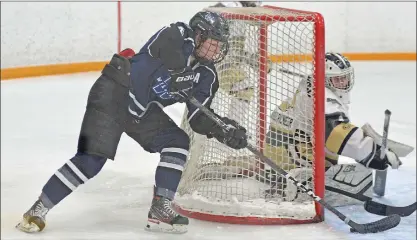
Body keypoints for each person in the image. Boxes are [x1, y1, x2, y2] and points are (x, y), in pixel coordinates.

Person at [16, 10, 248, 234]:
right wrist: (178, 72)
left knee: (177, 141)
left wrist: (223, 128)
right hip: (115, 91)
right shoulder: (179, 33)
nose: (217, 49)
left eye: (220, 45)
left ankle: (160, 208)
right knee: (92, 159)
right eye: (213, 42)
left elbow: (199, 118)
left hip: (143, 111)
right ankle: (39, 208)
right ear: (198, 35)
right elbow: (165, 45)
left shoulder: (207, 75)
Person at [263, 52, 404, 203]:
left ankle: (282, 175)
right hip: (289, 151)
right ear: (325, 79)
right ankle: (286, 184)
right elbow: (336, 133)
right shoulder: (324, 96)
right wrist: (372, 153)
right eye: (337, 79)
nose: (344, 83)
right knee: (353, 183)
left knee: (328, 150)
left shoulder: (312, 83)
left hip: (280, 146)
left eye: (345, 77)